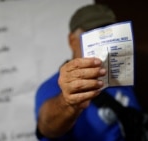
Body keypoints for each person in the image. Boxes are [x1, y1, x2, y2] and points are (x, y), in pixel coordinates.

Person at [34, 3, 141, 141]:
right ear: (72, 41)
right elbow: (47, 127)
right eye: (95, 35)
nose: (105, 43)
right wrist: (69, 102)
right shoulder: (51, 87)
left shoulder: (119, 77)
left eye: (110, 34)